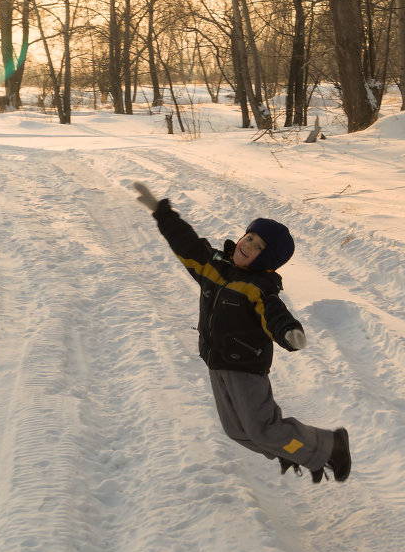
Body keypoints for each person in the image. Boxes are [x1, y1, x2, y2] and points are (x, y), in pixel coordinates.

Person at [133, 181, 351, 483]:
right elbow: (187, 244)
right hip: (217, 364)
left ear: (266, 260)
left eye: (258, 247)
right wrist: (162, 213)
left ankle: (331, 445)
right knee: (237, 431)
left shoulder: (258, 288)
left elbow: (273, 313)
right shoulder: (214, 268)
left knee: (263, 429)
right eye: (249, 237)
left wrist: (288, 331)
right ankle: (296, 450)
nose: (247, 245)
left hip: (246, 369)